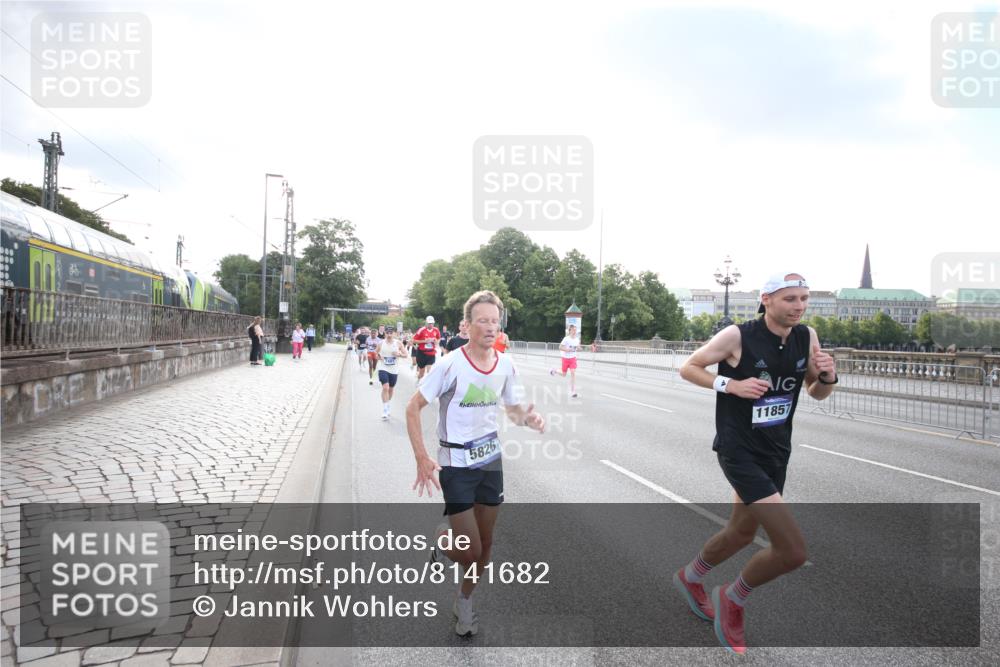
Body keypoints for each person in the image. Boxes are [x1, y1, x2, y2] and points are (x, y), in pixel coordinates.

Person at [674, 272, 837, 655]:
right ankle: (734, 597)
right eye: (790, 299)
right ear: (767, 300)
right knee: (792, 551)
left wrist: (829, 376)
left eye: (804, 298)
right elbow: (689, 367)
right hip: (739, 449)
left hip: (776, 450)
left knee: (741, 533)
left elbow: (816, 392)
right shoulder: (737, 336)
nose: (799, 306)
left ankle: (690, 577)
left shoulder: (807, 337)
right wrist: (730, 385)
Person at [406, 290, 545, 637]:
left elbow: (513, 410)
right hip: (455, 463)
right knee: (470, 551)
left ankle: (464, 601)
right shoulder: (449, 364)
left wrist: (529, 419)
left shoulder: (506, 365)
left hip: (490, 460)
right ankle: (443, 539)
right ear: (467, 325)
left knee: (486, 545)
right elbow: (412, 407)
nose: (490, 327)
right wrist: (422, 457)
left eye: (494, 321)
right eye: (482, 320)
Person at [376, 328, 408, 419]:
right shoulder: (381, 343)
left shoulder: (398, 343)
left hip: (394, 369)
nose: (389, 335)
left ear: (394, 334)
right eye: (387, 333)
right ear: (385, 334)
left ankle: (387, 404)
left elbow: (406, 355)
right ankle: (385, 409)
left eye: (391, 333)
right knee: (385, 387)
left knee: (390, 389)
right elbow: (376, 353)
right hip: (383, 368)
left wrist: (399, 355)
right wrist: (379, 357)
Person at [549, 323, 580, 397]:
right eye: (573, 330)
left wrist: (579, 348)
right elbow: (560, 347)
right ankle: (554, 370)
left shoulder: (577, 339)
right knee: (563, 374)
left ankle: (573, 391)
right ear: (570, 331)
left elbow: (578, 347)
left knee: (573, 372)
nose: (574, 331)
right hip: (565, 358)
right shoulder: (566, 339)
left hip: (573, 358)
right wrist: (567, 349)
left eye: (575, 330)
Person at [412, 315, 441, 382]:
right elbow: (414, 340)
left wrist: (436, 341)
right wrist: (424, 341)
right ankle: (419, 380)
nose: (431, 325)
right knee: (421, 373)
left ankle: (427, 385)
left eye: (432, 323)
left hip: (431, 353)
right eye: (429, 323)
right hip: (421, 353)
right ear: (426, 323)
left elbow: (439, 338)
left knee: (429, 372)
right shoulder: (421, 330)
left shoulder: (436, 330)